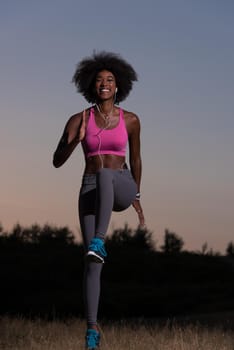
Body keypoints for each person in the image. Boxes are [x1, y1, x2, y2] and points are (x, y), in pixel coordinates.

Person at [53, 51, 145, 349]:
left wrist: (138, 194)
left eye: (110, 80)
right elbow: (57, 160)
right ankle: (92, 332)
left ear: (118, 86)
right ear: (92, 86)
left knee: (107, 174)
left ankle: (99, 240)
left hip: (122, 185)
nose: (104, 84)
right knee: (92, 265)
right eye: (99, 80)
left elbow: (136, 158)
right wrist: (77, 139)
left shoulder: (130, 120)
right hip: (90, 187)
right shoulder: (79, 119)